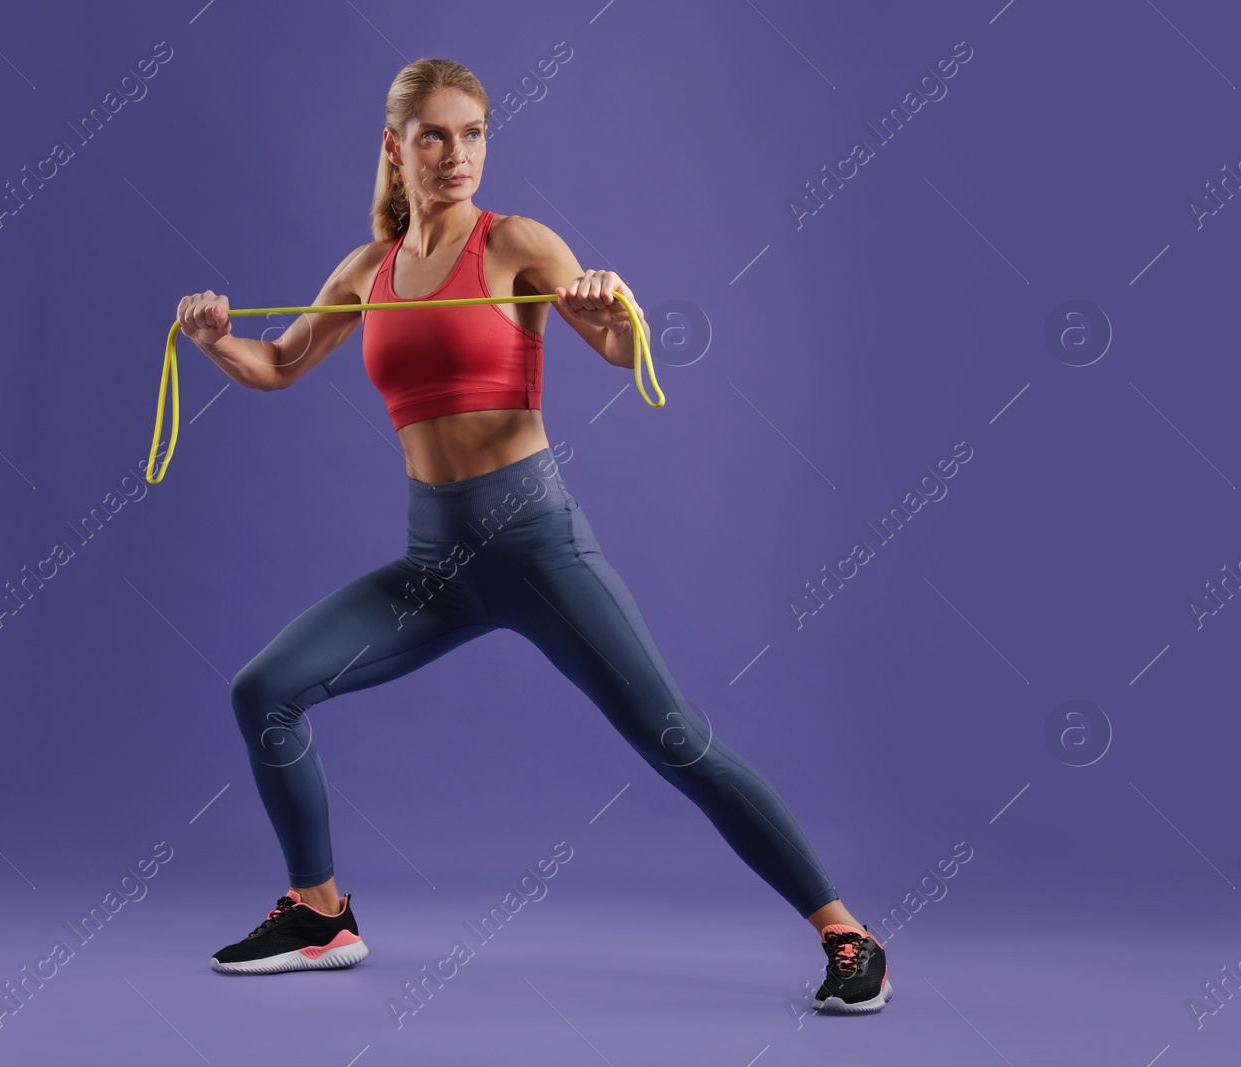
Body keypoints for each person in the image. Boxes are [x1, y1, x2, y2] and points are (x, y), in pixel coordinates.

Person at [178, 58, 891, 1013]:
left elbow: (623, 346)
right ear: (395, 148)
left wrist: (609, 310)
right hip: (435, 564)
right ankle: (322, 914)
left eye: (472, 134)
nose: (456, 155)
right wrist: (214, 334)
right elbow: (276, 364)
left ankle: (847, 934)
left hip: (535, 547)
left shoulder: (515, 244)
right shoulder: (367, 271)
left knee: (677, 739)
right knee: (262, 692)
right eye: (433, 135)